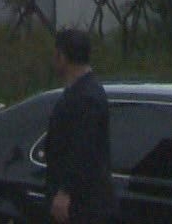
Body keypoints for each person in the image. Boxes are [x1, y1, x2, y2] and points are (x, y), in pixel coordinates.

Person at [44, 28, 118, 224]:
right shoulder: (82, 91)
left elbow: (84, 149)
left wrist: (65, 191)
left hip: (84, 205)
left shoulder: (86, 97)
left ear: (62, 57)